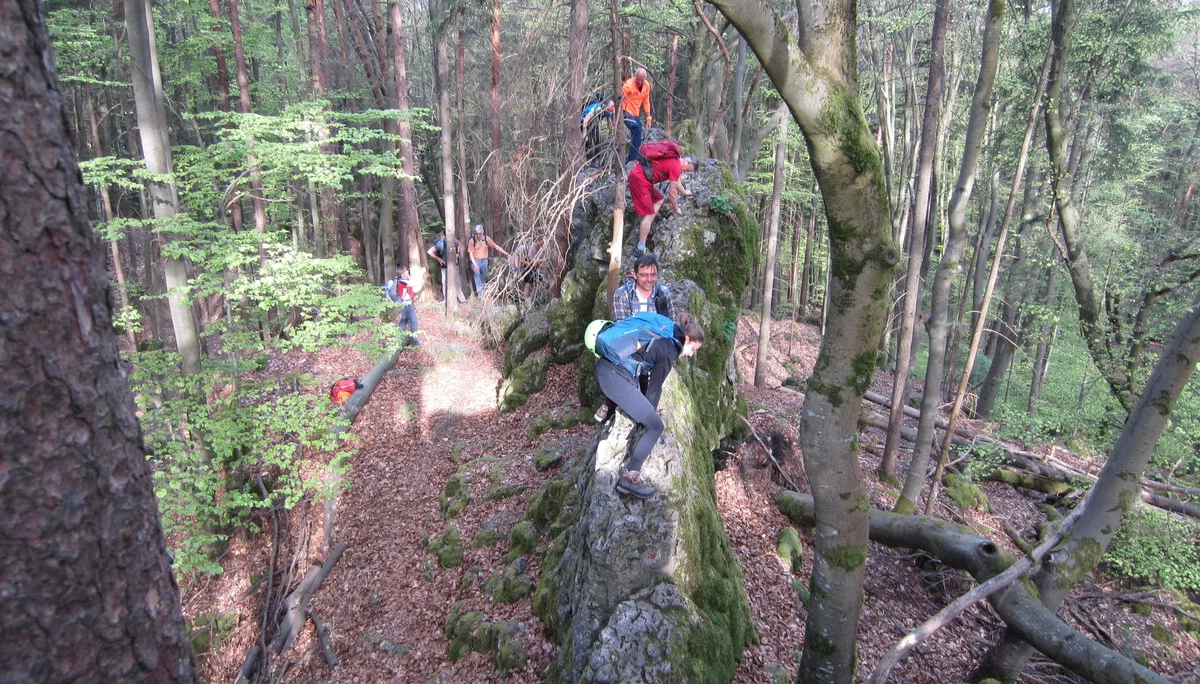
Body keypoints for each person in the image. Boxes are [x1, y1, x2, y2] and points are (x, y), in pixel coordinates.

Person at [592, 313, 704, 499]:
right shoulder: (670, 349)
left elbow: (642, 363)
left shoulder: (665, 329)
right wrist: (647, 416)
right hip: (614, 376)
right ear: (687, 339)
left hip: (608, 370)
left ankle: (607, 407)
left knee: (643, 411)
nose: (691, 355)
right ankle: (630, 476)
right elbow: (655, 388)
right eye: (693, 349)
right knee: (656, 426)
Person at [594, 253, 675, 422]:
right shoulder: (623, 295)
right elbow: (621, 329)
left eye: (653, 275)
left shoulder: (663, 294)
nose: (649, 279)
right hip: (630, 345)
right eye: (644, 275)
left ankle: (647, 409)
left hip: (655, 344)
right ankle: (613, 402)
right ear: (636, 274)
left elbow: (670, 324)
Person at [628, 151, 697, 256]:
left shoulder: (675, 160)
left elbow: (676, 179)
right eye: (688, 170)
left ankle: (641, 246)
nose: (686, 172)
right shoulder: (676, 166)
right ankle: (640, 249)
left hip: (639, 177)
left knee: (659, 199)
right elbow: (672, 193)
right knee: (649, 216)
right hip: (640, 181)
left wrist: (684, 192)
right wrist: (676, 208)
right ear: (687, 161)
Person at [467, 224, 511, 298]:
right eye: (477, 233)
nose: (478, 235)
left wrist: (506, 254)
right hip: (475, 260)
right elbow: (470, 254)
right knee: (477, 276)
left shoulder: (487, 239)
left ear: (483, 232)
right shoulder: (472, 240)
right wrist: (474, 264)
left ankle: (484, 292)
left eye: (480, 233)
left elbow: (496, 246)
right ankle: (480, 295)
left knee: (483, 277)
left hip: (484, 261)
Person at [621, 68, 652, 164]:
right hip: (626, 112)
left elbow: (646, 101)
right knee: (636, 129)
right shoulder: (628, 85)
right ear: (635, 76)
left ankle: (633, 155)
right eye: (638, 79)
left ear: (645, 78)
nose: (639, 81)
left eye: (641, 79)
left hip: (636, 113)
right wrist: (615, 116)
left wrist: (648, 118)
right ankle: (632, 159)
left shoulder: (646, 85)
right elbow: (619, 100)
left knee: (639, 132)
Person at [384, 267, 419, 346]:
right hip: (407, 305)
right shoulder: (403, 282)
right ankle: (414, 341)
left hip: (403, 305)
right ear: (402, 274)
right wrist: (410, 276)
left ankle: (397, 340)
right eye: (406, 271)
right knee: (414, 322)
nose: (408, 271)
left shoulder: (399, 281)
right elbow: (415, 283)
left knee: (403, 322)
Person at [428, 235, 468, 303]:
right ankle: (446, 300)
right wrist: (439, 259)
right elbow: (429, 251)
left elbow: (459, 244)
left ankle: (462, 299)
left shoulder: (454, 241)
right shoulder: (441, 244)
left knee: (457, 282)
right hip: (445, 267)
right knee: (445, 283)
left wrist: (457, 253)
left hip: (454, 266)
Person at [581, 92, 615, 166]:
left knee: (597, 139)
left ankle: (596, 160)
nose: (610, 110)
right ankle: (589, 159)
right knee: (589, 141)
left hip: (593, 122)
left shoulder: (608, 111)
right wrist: (584, 133)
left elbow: (609, 123)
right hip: (583, 122)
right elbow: (585, 119)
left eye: (611, 109)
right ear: (605, 106)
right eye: (609, 108)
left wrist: (612, 135)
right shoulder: (597, 108)